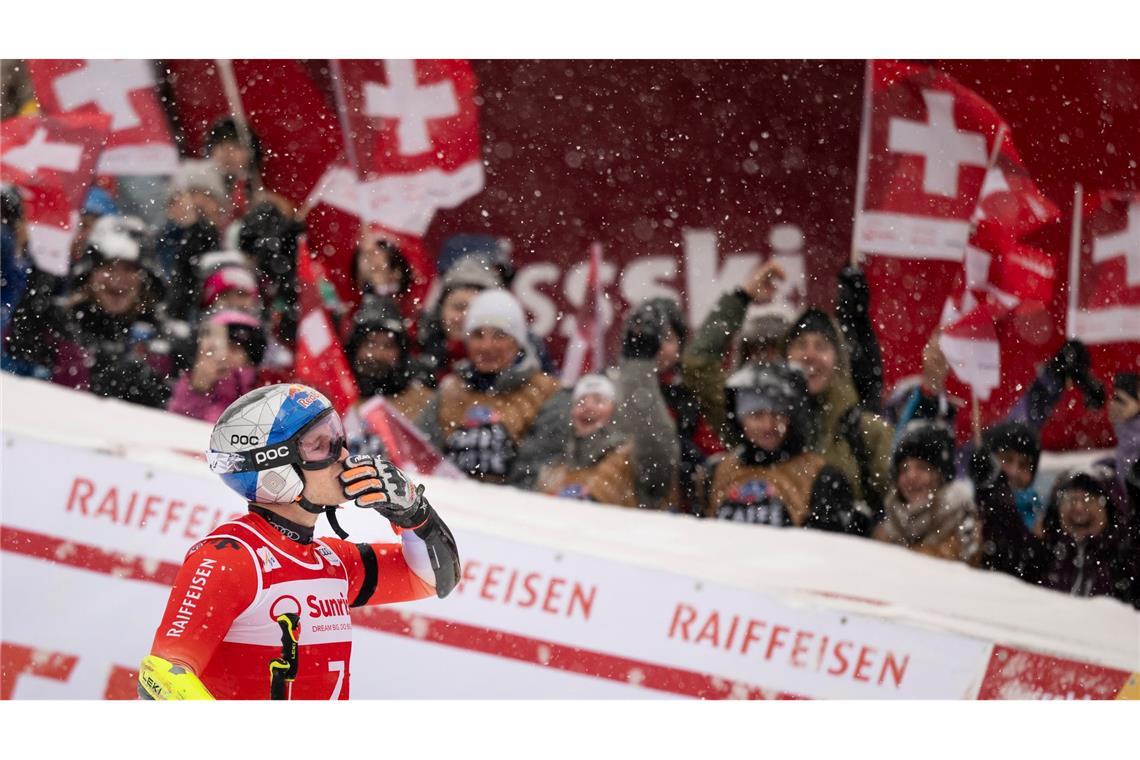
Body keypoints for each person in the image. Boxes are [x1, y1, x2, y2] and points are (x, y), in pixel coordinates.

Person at [138, 384, 460, 700]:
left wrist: (414, 512)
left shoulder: (332, 561)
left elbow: (436, 578)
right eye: (321, 445)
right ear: (277, 469)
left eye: (337, 437)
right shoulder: (232, 557)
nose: (344, 455)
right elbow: (163, 677)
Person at [697, 362, 867, 534]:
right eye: (757, 415)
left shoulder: (822, 477)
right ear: (740, 420)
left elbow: (825, 550)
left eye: (778, 414)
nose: (768, 425)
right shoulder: (716, 472)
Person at [417, 288, 563, 485]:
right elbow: (420, 456)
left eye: (499, 335)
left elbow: (537, 471)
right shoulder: (450, 390)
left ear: (518, 342)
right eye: (478, 335)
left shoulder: (547, 391)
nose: (487, 346)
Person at [537, 316, 681, 509]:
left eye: (599, 400)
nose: (588, 407)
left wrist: (638, 366)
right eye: (581, 401)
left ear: (615, 411)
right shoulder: (553, 470)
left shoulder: (630, 462)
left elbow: (657, 448)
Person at [971, 450, 1136, 606]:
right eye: (1070, 499)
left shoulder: (1122, 561)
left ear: (1109, 511)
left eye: (1089, 500)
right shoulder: (1042, 557)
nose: (1078, 508)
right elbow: (1007, 540)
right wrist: (991, 487)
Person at [783, 307, 894, 522]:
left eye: (821, 346)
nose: (810, 356)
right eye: (801, 345)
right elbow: (700, 366)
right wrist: (742, 297)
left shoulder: (868, 431)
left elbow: (903, 505)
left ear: (838, 361)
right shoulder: (761, 426)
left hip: (845, 553)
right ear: (785, 356)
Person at [872, 423, 981, 564]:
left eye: (922, 468)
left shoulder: (963, 521)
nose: (911, 476)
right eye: (904, 469)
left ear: (941, 478)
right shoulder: (886, 530)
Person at [166, 310, 267, 423]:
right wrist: (198, 388)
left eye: (233, 349)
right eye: (212, 349)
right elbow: (175, 422)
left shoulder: (259, 391)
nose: (223, 356)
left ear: (249, 360)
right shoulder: (188, 382)